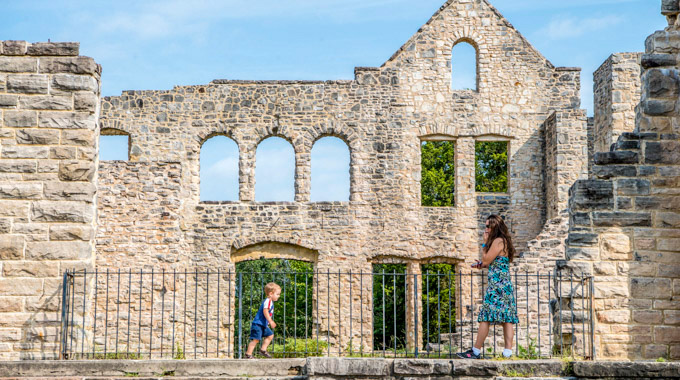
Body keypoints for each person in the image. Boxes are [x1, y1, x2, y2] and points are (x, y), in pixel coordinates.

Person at [457, 215, 519, 359]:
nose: (485, 229)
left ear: (494, 227)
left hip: (497, 286)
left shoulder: (497, 241)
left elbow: (486, 258)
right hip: (504, 284)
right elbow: (491, 262)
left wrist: (484, 244)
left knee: (486, 317)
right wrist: (482, 265)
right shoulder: (503, 241)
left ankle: (476, 351)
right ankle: (507, 353)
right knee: (507, 317)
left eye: (487, 226)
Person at [244, 282, 281, 359]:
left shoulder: (270, 302)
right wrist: (270, 321)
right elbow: (265, 311)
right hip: (258, 324)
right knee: (256, 339)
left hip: (263, 325)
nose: (279, 296)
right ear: (271, 294)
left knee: (270, 335)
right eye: (277, 294)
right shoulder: (268, 301)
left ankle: (263, 350)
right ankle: (248, 354)